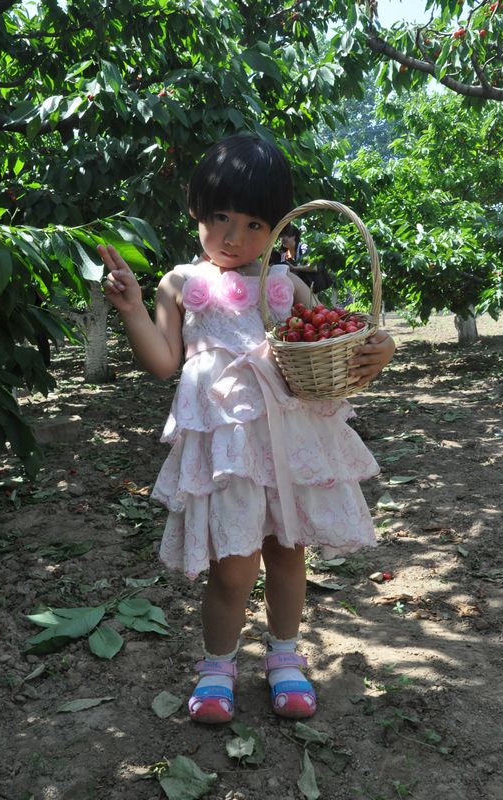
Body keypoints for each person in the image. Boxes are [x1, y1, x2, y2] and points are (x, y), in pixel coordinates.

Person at [98, 134, 395, 725]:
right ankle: (217, 666)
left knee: (288, 553)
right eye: (221, 218)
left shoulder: (284, 283)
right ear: (197, 212)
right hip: (227, 445)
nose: (234, 236)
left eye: (255, 223)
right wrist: (132, 309)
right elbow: (164, 362)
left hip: (287, 439)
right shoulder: (181, 283)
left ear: (279, 228)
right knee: (232, 565)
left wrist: (377, 348)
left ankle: (285, 658)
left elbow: (331, 335)